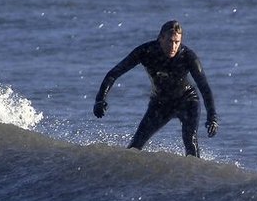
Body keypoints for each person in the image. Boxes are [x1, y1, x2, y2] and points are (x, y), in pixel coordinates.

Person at [93, 20, 218, 157]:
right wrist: (100, 99)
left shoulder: (188, 56)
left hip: (187, 101)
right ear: (160, 38)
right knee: (135, 146)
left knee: (190, 142)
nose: (173, 46)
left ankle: (194, 177)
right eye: (170, 41)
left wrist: (212, 117)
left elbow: (204, 87)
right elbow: (114, 73)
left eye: (177, 42)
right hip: (160, 103)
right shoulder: (146, 51)